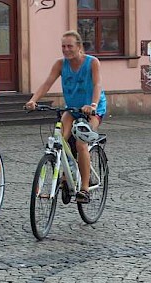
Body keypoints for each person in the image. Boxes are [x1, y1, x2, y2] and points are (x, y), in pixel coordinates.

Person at [25, 30, 107, 204]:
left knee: (80, 142)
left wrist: (92, 105)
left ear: (79, 47)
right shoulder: (60, 64)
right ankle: (65, 174)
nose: (66, 49)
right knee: (60, 139)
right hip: (71, 109)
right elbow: (47, 83)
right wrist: (33, 100)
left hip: (93, 109)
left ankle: (84, 188)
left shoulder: (92, 62)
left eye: (70, 46)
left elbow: (97, 84)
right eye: (63, 46)